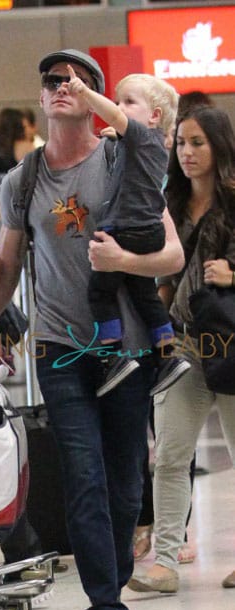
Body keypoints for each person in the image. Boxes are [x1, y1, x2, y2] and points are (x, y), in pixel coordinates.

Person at [0, 48, 184, 610]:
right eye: (53, 81)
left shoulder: (119, 159)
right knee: (83, 477)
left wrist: (124, 263)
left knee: (122, 484)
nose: (63, 87)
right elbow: (7, 262)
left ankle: (109, 580)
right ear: (41, 98)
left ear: (95, 98)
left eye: (77, 81)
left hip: (128, 350)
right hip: (59, 347)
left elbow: (173, 256)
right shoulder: (23, 179)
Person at [128, 105, 235, 594]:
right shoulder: (167, 205)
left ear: (219, 146)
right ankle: (165, 561)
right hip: (184, 345)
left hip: (232, 344)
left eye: (198, 143)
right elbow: (165, 280)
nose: (187, 153)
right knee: (170, 455)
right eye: (181, 143)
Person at [73, 71, 189, 398]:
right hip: (148, 230)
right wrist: (117, 131)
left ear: (154, 116)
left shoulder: (142, 137)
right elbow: (122, 130)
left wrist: (84, 92)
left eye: (128, 102)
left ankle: (112, 359)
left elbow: (113, 117)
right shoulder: (150, 142)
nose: (119, 106)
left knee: (100, 293)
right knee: (145, 296)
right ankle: (168, 356)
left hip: (127, 229)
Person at [0, 107, 35, 196]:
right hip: (15, 199)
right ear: (19, 128)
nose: (28, 130)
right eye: (25, 127)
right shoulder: (26, 147)